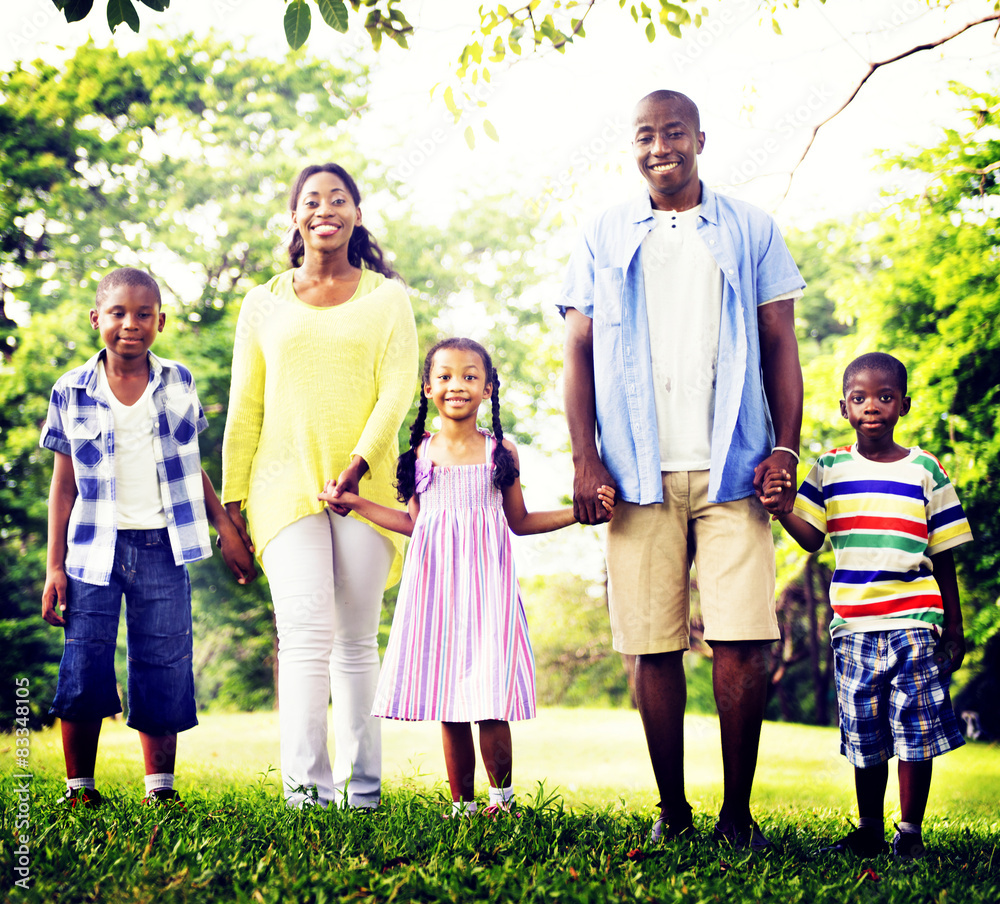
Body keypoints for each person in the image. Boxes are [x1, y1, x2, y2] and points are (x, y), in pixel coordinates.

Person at [559, 89, 806, 850]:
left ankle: (738, 815)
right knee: (650, 643)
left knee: (743, 640)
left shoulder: (749, 227)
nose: (659, 146)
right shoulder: (603, 231)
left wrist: (786, 449)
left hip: (734, 467)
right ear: (631, 146)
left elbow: (780, 345)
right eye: (644, 135)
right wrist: (585, 456)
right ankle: (673, 810)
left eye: (673, 133)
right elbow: (576, 351)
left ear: (700, 139)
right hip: (635, 473)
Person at [320, 337, 615, 816]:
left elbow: (519, 522)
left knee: (489, 697)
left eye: (470, 376)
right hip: (434, 590)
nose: (457, 385)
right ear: (428, 387)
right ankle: (464, 807)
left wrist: (576, 514)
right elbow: (415, 523)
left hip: (487, 589)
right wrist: (356, 505)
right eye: (445, 376)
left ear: (488, 388)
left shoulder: (501, 452)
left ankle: (503, 800)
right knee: (449, 699)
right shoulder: (419, 454)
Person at [221, 163, 418, 809]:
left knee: (357, 639)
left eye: (338, 198)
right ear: (296, 216)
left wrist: (359, 464)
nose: (324, 208)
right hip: (281, 488)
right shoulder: (263, 302)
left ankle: (363, 792)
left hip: (367, 489)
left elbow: (398, 389)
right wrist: (230, 507)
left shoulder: (387, 298)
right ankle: (306, 792)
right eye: (311, 200)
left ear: (356, 213)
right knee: (304, 633)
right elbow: (244, 406)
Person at [40, 267, 256, 808]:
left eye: (143, 314)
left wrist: (225, 527)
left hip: (163, 546)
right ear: (97, 320)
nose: (130, 325)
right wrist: (54, 567)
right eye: (117, 313)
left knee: (163, 661)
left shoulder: (178, 381)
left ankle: (159, 788)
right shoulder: (70, 389)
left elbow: (192, 467)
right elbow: (62, 488)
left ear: (160, 321)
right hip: (92, 550)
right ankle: (79, 789)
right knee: (86, 660)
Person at [761, 352, 972, 859]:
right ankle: (869, 830)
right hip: (853, 626)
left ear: (903, 404)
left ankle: (910, 831)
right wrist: (781, 509)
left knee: (915, 728)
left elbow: (944, 555)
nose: (872, 406)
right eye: (860, 398)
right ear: (843, 407)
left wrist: (955, 627)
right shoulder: (829, 469)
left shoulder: (926, 469)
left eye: (884, 397)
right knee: (866, 733)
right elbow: (811, 539)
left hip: (915, 622)